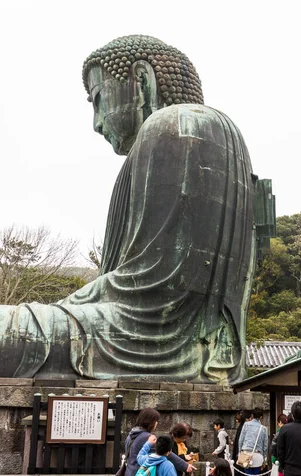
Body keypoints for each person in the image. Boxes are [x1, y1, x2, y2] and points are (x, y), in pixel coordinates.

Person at [0, 34, 263, 386]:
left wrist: (63, 307)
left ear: (142, 81)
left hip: (147, 340)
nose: (96, 123)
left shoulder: (175, 125)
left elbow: (147, 289)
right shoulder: (213, 133)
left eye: (98, 100)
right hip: (161, 335)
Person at [238, 407, 268, 476]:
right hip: (258, 455)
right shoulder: (263, 428)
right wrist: (264, 459)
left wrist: (240, 453)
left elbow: (240, 440)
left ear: (252, 416)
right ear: (261, 417)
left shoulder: (246, 425)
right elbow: (265, 446)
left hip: (246, 454)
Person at [232, 410, 251, 476]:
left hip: (239, 455)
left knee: (241, 475)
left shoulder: (241, 427)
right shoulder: (245, 427)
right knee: (244, 475)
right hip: (243, 454)